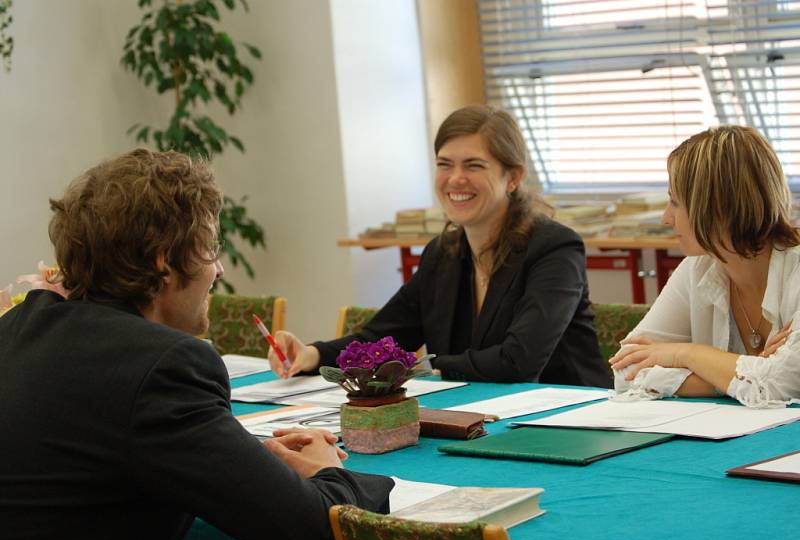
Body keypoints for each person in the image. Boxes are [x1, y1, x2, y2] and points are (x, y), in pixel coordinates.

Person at [0, 149, 393, 540]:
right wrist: (330, 473)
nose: (219, 268)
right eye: (209, 248)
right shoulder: (163, 367)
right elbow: (309, 537)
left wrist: (243, 460)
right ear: (164, 262)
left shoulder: (16, 329)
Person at [270, 105, 609, 386]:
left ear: (514, 177)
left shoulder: (554, 248)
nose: (455, 179)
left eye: (474, 165)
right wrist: (311, 354)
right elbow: (385, 337)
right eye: (445, 164)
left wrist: (426, 369)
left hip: (567, 422)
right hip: (477, 417)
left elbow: (518, 362)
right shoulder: (442, 253)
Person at [610, 125, 800, 408]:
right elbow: (625, 371)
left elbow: (783, 383)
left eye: (675, 202)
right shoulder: (697, 268)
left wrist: (686, 354)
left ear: (718, 209)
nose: (666, 218)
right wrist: (741, 374)